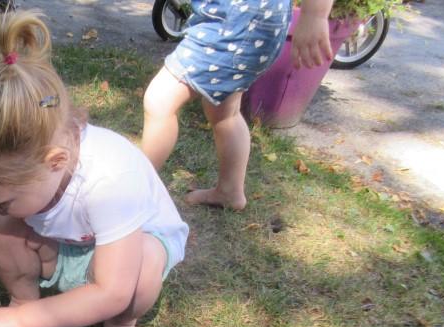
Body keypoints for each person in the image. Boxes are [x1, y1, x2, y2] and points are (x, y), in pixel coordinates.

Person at [0, 10, 190, 327]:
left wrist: (21, 319)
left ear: (54, 162)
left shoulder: (111, 180)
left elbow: (113, 290)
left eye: (1, 200)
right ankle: (24, 297)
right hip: (73, 240)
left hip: (128, 256)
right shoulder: (20, 171)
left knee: (141, 270)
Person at [141, 0, 334, 210]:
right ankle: (229, 191)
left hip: (238, 23)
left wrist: (315, 15)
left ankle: (134, 191)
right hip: (243, 21)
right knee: (225, 113)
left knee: (160, 100)